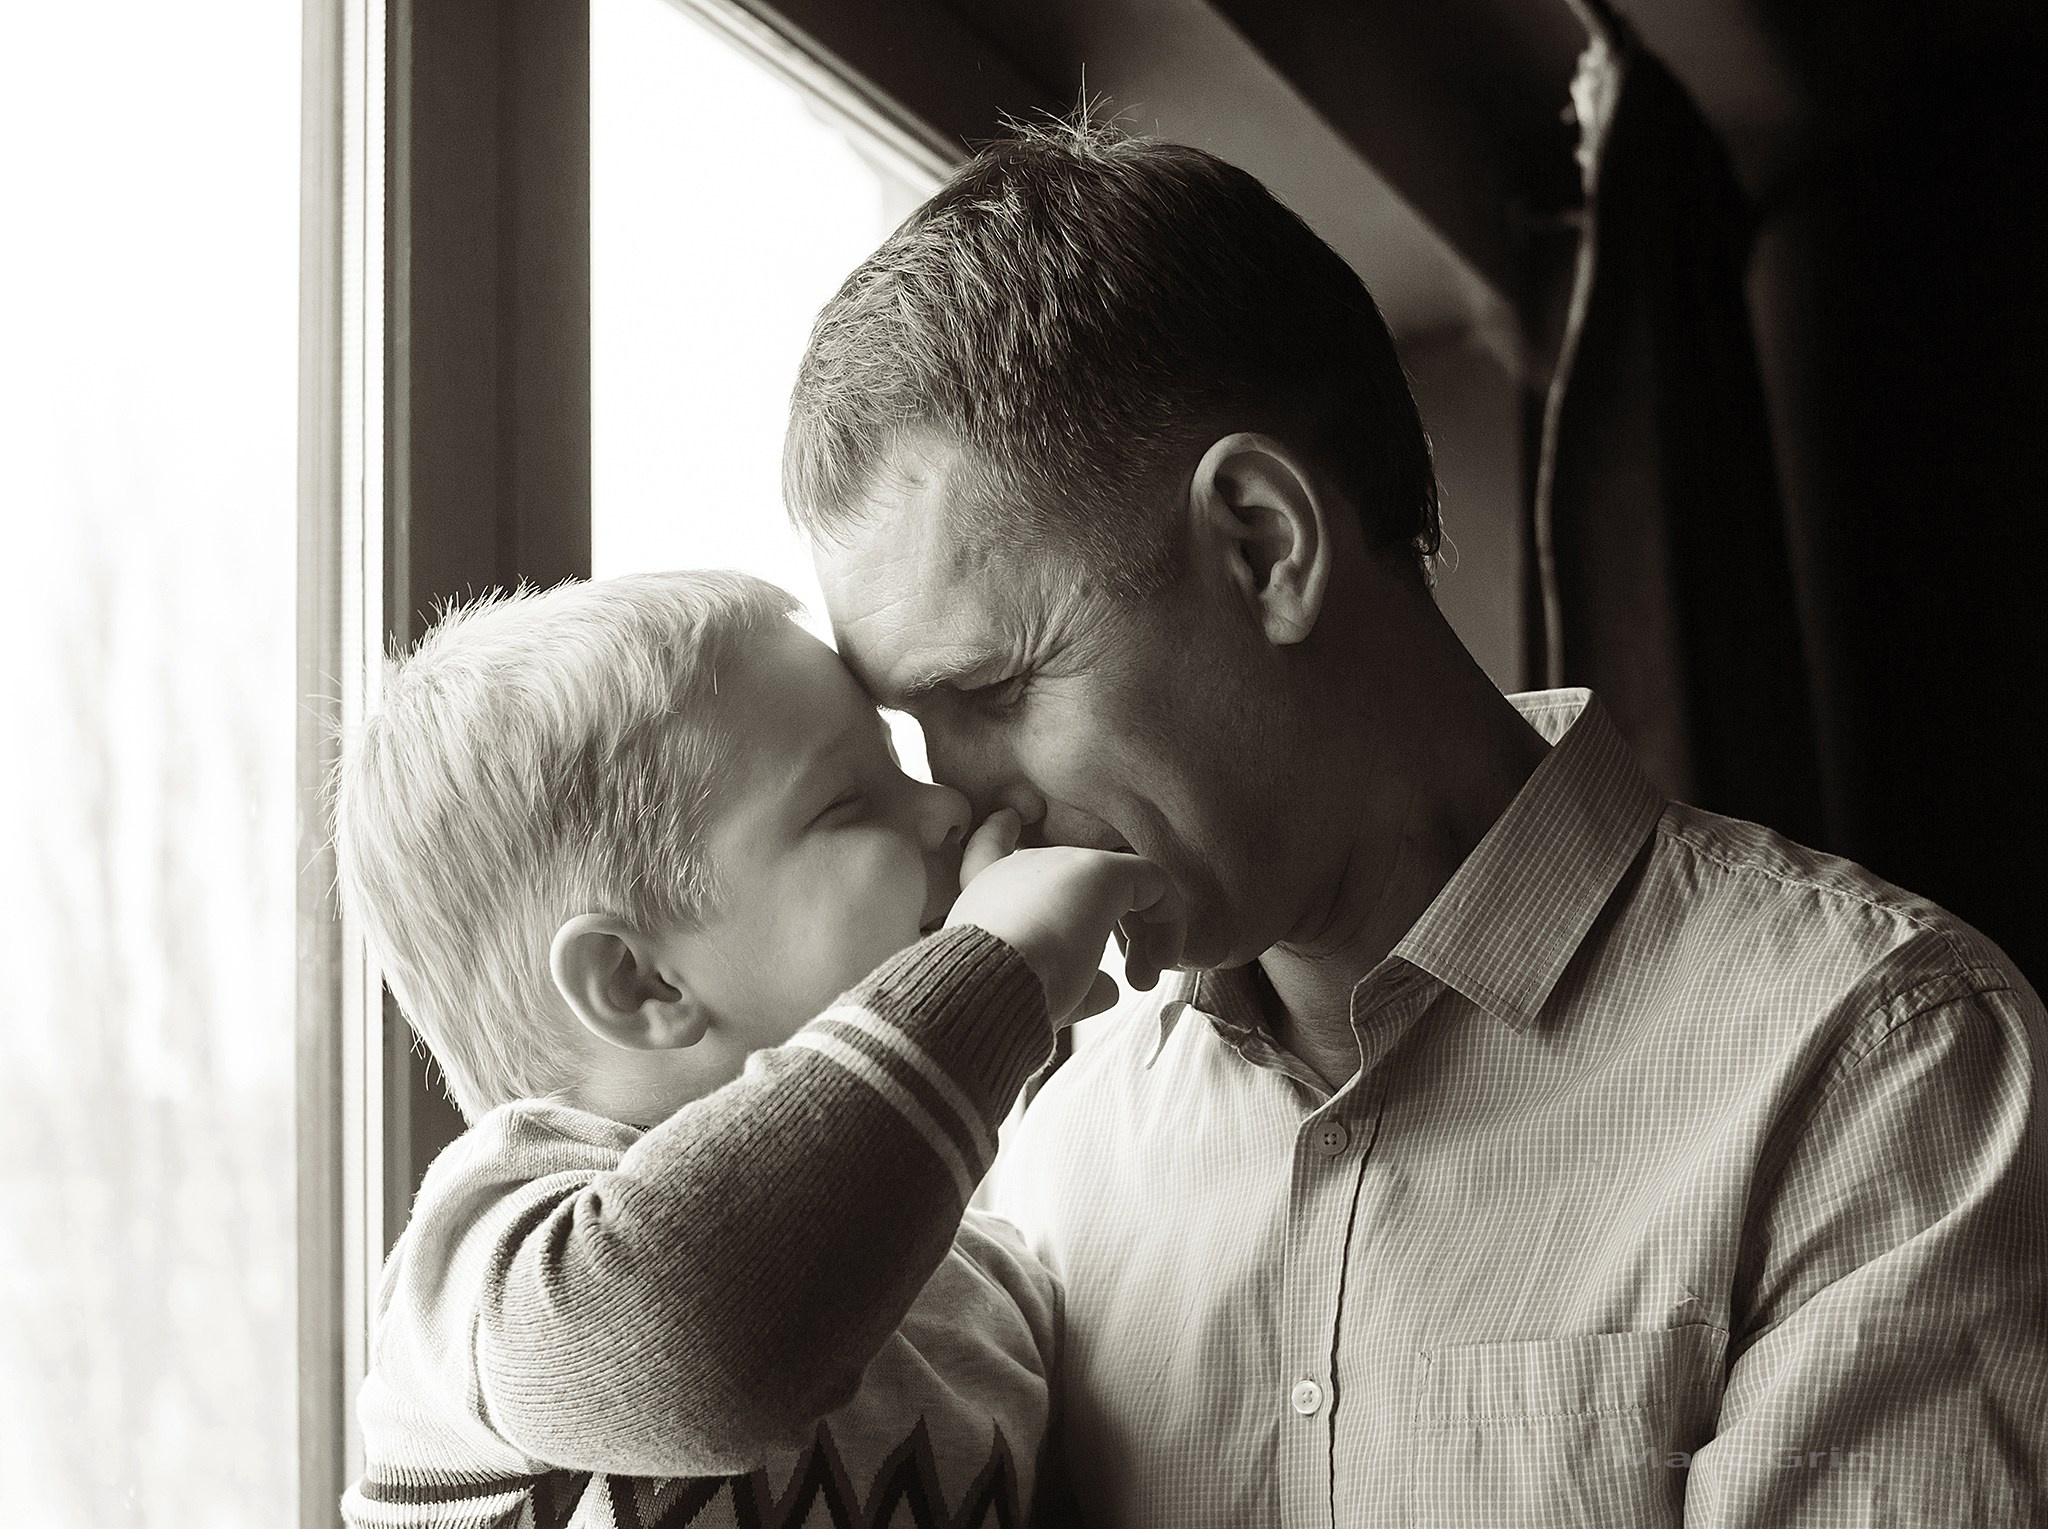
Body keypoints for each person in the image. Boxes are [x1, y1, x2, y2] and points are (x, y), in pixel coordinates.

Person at [790, 118, 2048, 1526]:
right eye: (913, 730)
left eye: (994, 690)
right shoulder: (1047, 1159)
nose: (961, 806)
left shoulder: (1872, 1062)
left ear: (1263, 545)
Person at [330, 570, 1180, 1527]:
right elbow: (694, 1349)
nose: (946, 804)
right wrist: (984, 976)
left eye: (899, 766)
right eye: (847, 801)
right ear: (640, 983)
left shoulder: (995, 1294)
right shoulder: (491, 1267)